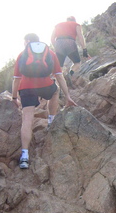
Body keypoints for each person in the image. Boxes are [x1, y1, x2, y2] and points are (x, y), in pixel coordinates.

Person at [12, 33, 77, 169]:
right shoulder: (50, 53)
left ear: (28, 41)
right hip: (45, 85)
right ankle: (51, 121)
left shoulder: (22, 55)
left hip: (26, 88)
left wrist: (14, 98)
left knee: (27, 119)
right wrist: (68, 96)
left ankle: (24, 156)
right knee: (55, 91)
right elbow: (60, 77)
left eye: (24, 41)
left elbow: (16, 79)